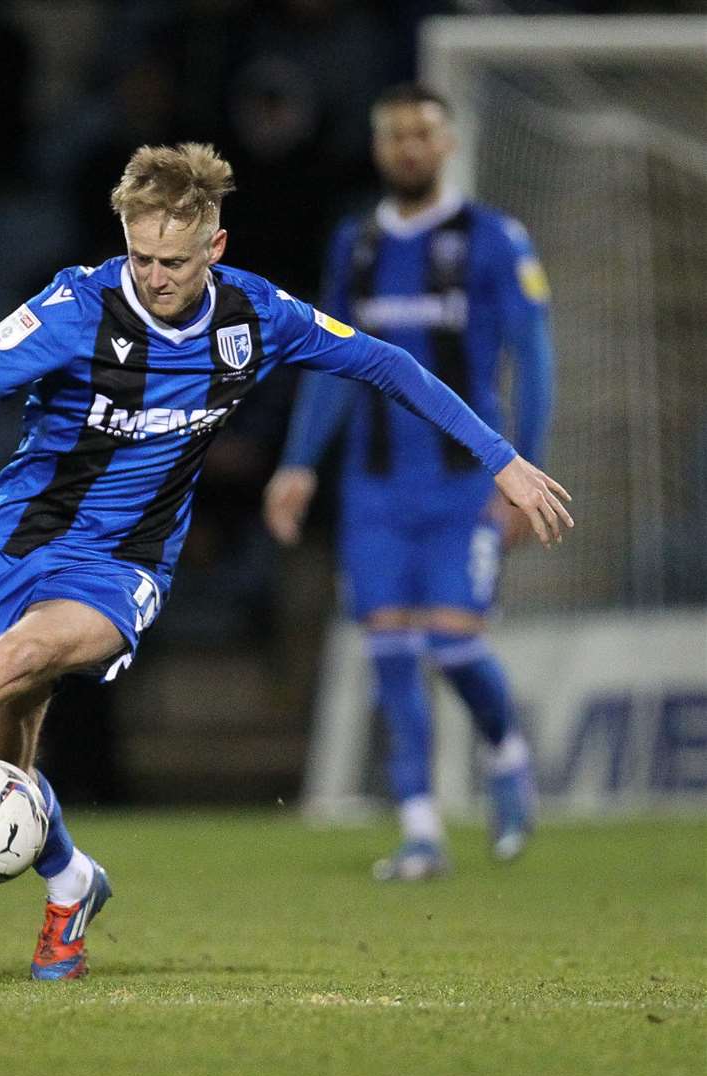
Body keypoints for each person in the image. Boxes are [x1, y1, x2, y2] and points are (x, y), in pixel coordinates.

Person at [0, 142, 572, 980]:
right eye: (140, 256)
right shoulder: (74, 307)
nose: (154, 276)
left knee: (18, 660)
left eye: (173, 261)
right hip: (18, 545)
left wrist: (500, 457)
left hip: (124, 565)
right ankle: (73, 885)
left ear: (215, 248)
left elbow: (386, 363)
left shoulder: (257, 317)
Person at [262, 84, 555, 881]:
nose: (408, 148)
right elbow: (326, 365)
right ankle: (422, 828)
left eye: (422, 132)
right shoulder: (355, 243)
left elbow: (533, 359)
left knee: (454, 647)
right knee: (389, 648)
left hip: (464, 485)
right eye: (394, 134)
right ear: (378, 146)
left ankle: (505, 749)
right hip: (376, 486)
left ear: (450, 143)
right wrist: (297, 462)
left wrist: (522, 468)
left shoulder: (495, 239)